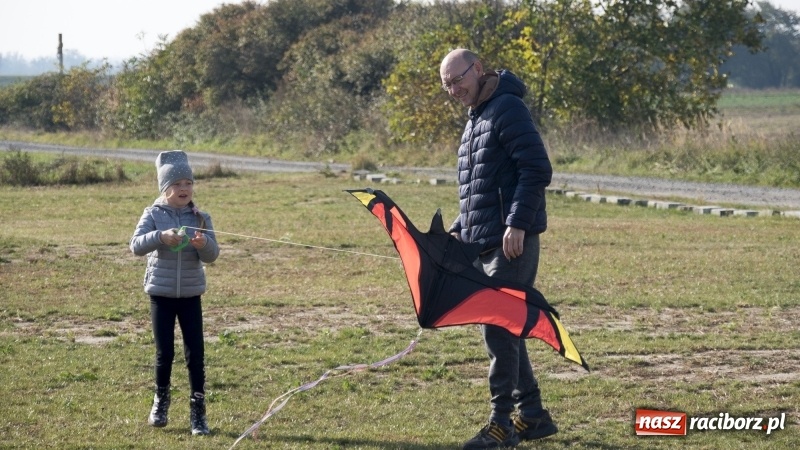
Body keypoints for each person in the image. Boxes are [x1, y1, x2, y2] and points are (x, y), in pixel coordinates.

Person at [439, 49, 556, 449]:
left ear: (478, 69)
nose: (454, 89)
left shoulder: (507, 108)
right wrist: (460, 228)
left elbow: (536, 168)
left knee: (498, 326)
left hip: (512, 244)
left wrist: (517, 223)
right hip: (484, 241)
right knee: (506, 330)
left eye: (458, 79)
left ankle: (501, 424)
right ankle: (535, 416)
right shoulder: (476, 118)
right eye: (447, 85)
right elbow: (480, 189)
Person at [130, 150, 220, 436]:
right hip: (161, 294)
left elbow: (212, 255)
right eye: (177, 184)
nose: (184, 189)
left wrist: (202, 243)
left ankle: (198, 414)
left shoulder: (201, 217)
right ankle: (161, 403)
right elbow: (135, 245)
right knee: (164, 352)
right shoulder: (153, 214)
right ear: (165, 188)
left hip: (192, 295)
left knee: (196, 355)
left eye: (188, 184)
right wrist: (161, 237)